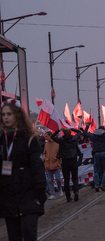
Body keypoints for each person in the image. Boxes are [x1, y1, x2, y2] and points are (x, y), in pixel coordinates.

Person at [0, 99, 47, 240]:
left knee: (28, 232)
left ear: (17, 115)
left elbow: (38, 167)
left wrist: (40, 193)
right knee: (14, 237)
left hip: (29, 196)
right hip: (8, 198)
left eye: (9, 114)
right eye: (3, 114)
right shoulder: (1, 140)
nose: (6, 117)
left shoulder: (29, 139)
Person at [84, 117, 105, 192]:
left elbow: (85, 133)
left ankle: (96, 184)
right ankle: (103, 184)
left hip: (96, 154)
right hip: (104, 153)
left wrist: (87, 126)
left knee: (96, 170)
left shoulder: (93, 137)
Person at [51, 127, 81, 202]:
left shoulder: (61, 140)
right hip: (73, 160)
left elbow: (52, 137)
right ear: (70, 132)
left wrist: (58, 130)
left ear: (64, 133)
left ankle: (68, 196)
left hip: (65, 161)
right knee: (75, 178)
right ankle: (76, 191)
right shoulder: (74, 139)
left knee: (66, 179)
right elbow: (79, 132)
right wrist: (73, 129)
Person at [43, 131, 63, 200]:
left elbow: (60, 152)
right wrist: (45, 158)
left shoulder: (57, 143)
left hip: (56, 163)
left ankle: (60, 188)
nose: (45, 137)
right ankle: (52, 194)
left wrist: (58, 159)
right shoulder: (46, 144)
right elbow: (44, 153)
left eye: (46, 136)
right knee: (50, 180)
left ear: (50, 136)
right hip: (48, 164)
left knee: (58, 178)